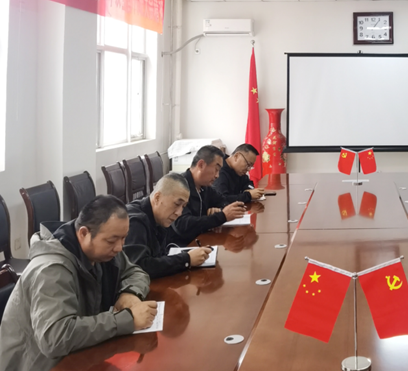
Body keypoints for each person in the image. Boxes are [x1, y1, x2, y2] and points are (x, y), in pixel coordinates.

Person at [0, 195, 156, 371]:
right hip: (41, 364)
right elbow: (56, 338)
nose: (120, 247)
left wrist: (130, 293)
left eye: (124, 238)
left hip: (79, 352)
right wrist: (127, 319)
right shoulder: (51, 270)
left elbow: (136, 272)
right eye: (112, 240)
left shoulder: (103, 251)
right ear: (83, 233)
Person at [124, 172, 214, 279]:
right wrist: (187, 259)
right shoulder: (135, 221)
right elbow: (140, 267)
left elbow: (159, 257)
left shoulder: (160, 218)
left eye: (183, 206)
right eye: (177, 204)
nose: (179, 213)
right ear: (157, 198)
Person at [169, 145, 246, 246]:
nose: (217, 175)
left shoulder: (204, 187)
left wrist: (219, 210)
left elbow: (223, 201)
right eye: (216, 169)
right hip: (181, 247)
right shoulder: (179, 186)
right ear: (201, 165)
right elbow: (182, 225)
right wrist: (221, 216)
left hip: (201, 242)